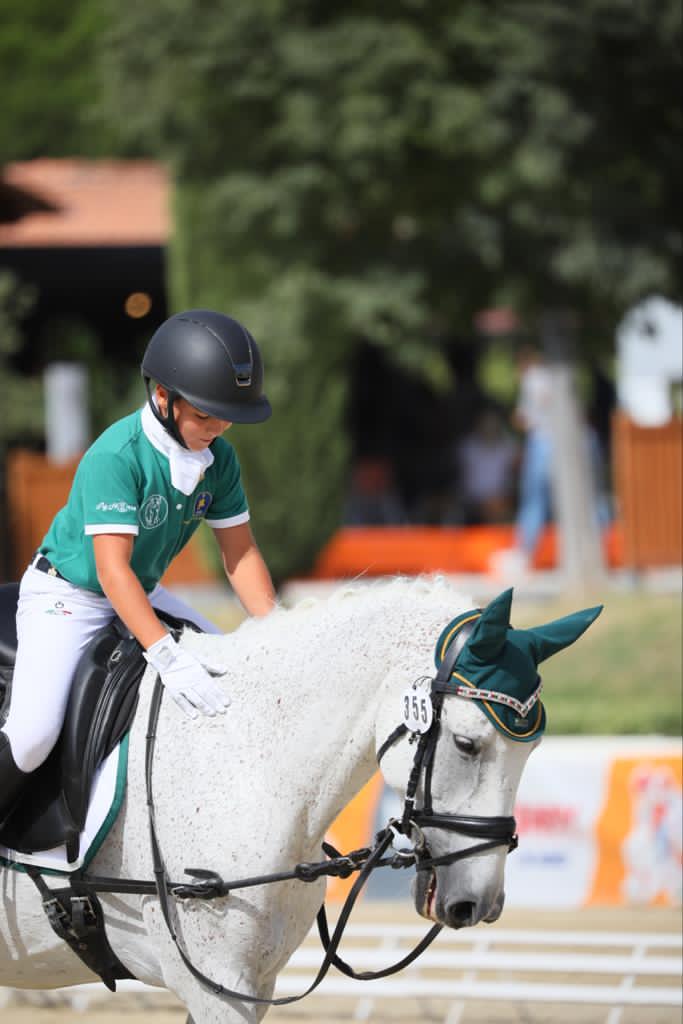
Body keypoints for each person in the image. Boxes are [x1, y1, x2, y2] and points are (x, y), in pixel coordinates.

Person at [0, 309, 277, 826]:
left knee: (234, 674)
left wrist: (276, 630)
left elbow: (240, 554)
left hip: (139, 589)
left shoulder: (220, 460)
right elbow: (111, 573)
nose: (218, 428)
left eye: (226, 417)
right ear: (164, 397)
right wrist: (167, 655)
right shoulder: (117, 456)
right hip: (69, 596)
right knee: (34, 736)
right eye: (206, 415)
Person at [456, 407, 519, 525]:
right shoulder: (467, 447)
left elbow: (515, 476)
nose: (489, 427)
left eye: (493, 423)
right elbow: (466, 482)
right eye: (486, 423)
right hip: (474, 500)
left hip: (502, 499)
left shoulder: (509, 446)